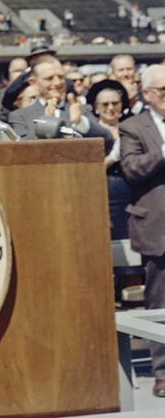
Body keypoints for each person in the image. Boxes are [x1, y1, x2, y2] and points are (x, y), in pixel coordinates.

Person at [120, 64, 165, 398]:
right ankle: (162, 372)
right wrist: (162, 153)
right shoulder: (133, 127)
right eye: (163, 90)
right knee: (159, 302)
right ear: (147, 94)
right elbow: (132, 169)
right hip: (157, 229)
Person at [8, 55, 108, 141]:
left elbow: (107, 141)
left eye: (60, 77)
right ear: (33, 83)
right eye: (49, 78)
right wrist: (46, 126)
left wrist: (80, 122)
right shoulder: (20, 116)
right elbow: (22, 150)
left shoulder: (81, 109)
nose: (57, 83)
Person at [87, 80, 131, 240]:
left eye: (115, 103)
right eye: (105, 104)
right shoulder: (88, 133)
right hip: (101, 197)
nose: (111, 108)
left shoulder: (133, 128)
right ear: (96, 108)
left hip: (130, 197)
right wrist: (111, 159)